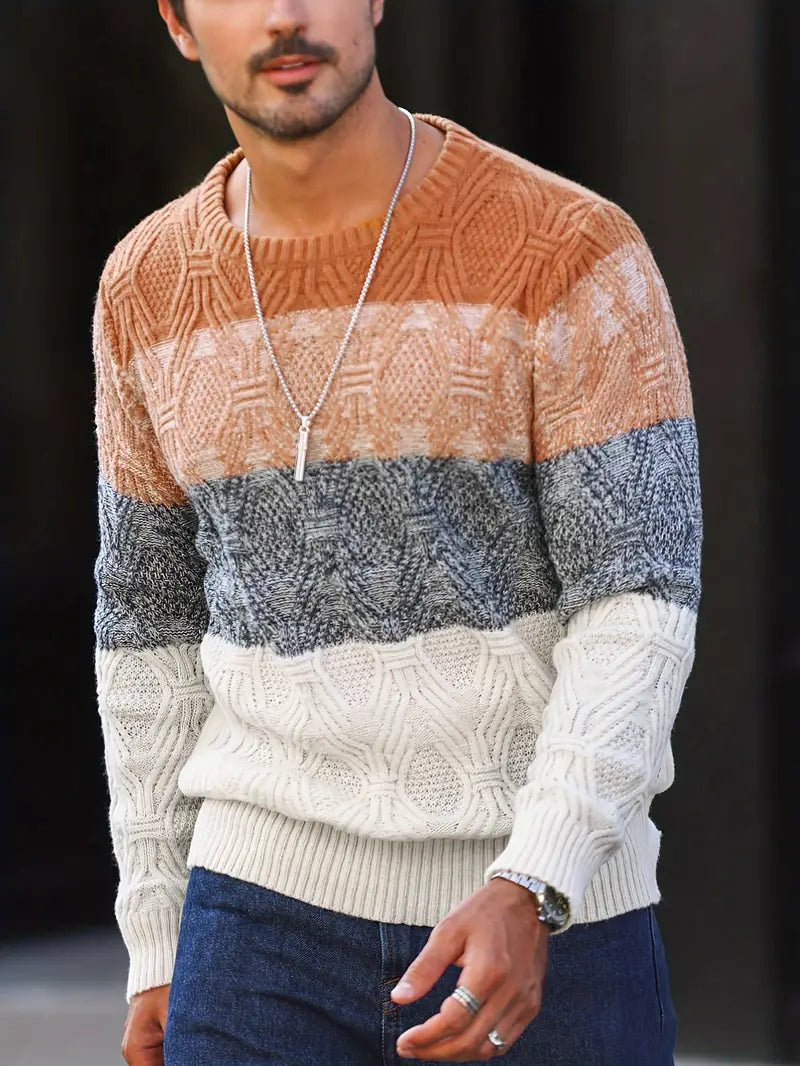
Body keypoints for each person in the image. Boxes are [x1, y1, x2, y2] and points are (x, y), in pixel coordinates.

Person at [92, 1, 702, 1063]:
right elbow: (146, 625)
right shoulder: (147, 285)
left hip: (547, 922)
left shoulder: (568, 248)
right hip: (253, 925)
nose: (285, 16)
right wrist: (156, 933)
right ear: (179, 25)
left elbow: (638, 595)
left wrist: (536, 877)